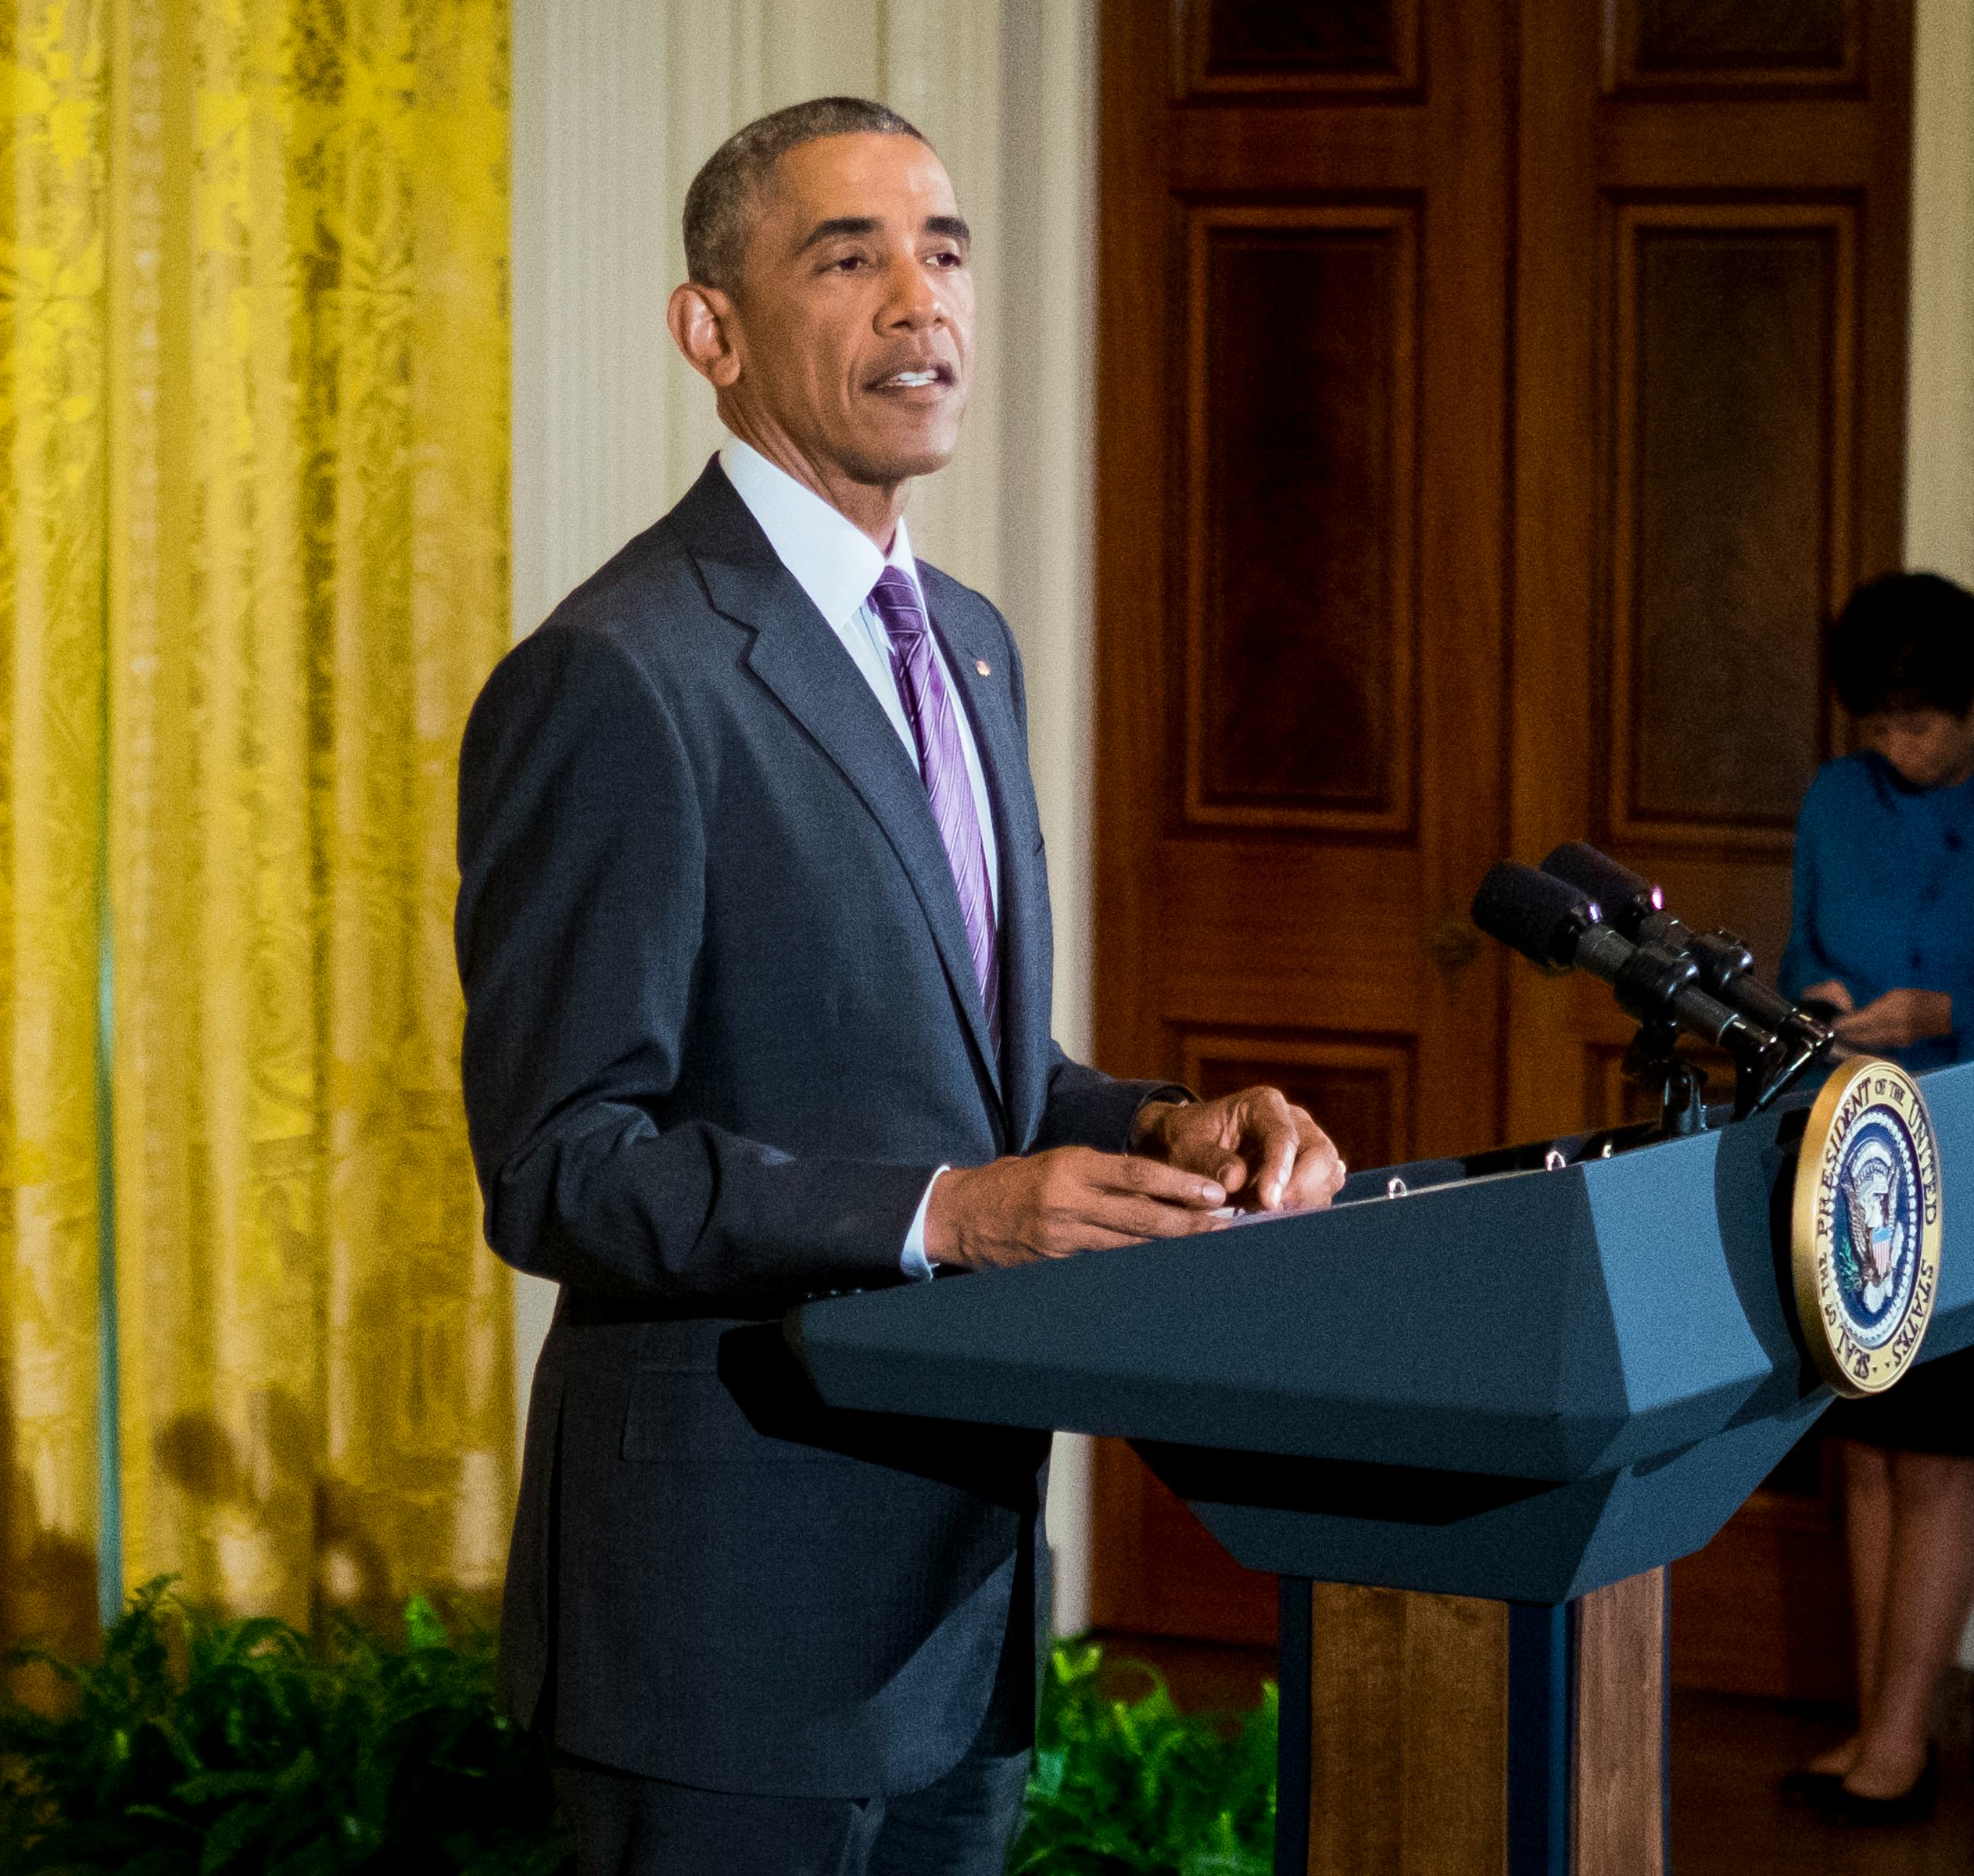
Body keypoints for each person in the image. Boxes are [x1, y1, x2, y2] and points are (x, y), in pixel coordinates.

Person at [454, 98, 1345, 1875]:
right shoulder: (618, 676)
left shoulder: (978, 644)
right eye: (844, 256)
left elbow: (975, 1073)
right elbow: (564, 1163)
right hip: (723, 1634)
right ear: (711, 331)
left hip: (958, 1602)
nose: (917, 301)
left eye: (940, 249)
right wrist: (951, 1213)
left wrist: (1168, 1121)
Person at [1778, 571, 1974, 1827]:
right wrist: (1823, 1004)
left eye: (1923, 725)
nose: (1900, 748)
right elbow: (1798, 955)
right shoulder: (1834, 803)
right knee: (1870, 1458)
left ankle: (1903, 1741)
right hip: (1856, 1163)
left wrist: (1953, 1015)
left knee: (1941, 1460)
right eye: (1881, 724)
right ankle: (1872, 1726)